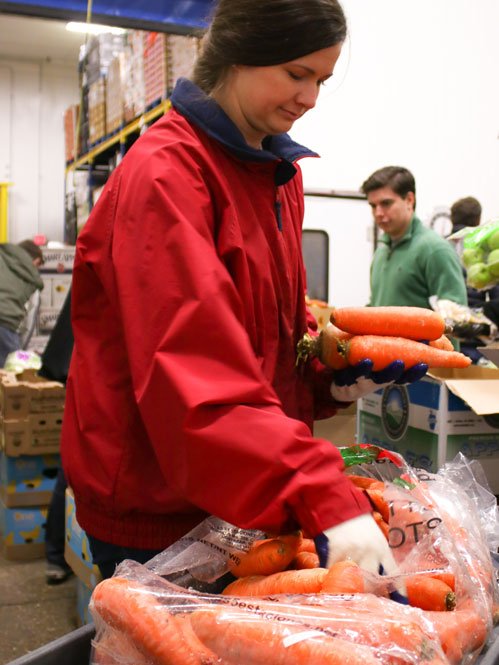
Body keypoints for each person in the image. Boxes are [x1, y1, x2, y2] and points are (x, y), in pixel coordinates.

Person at [61, 0, 428, 584]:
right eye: (297, 74)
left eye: (322, 80)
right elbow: (192, 371)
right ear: (239, 52)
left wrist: (324, 376)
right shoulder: (168, 174)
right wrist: (316, 488)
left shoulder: (276, 174)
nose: (310, 97)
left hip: (235, 491)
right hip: (159, 500)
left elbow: (265, 334)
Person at [361, 166, 467, 319]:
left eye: (386, 203)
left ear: (409, 200)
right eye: (373, 206)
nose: (378, 213)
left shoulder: (435, 250)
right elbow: (376, 307)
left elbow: (455, 320)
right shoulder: (381, 251)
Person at [38, 289, 74, 584]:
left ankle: (57, 556)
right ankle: (56, 555)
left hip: (79, 370)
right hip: (92, 379)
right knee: (71, 470)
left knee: (71, 468)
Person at [449, 196, 499, 362]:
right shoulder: (485, 250)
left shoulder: (440, 246)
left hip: (448, 328)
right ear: (478, 219)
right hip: (475, 332)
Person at [0, 239, 44, 367]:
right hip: (5, 326)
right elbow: (28, 325)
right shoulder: (32, 280)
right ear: (35, 260)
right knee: (11, 377)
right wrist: (20, 351)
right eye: (39, 264)